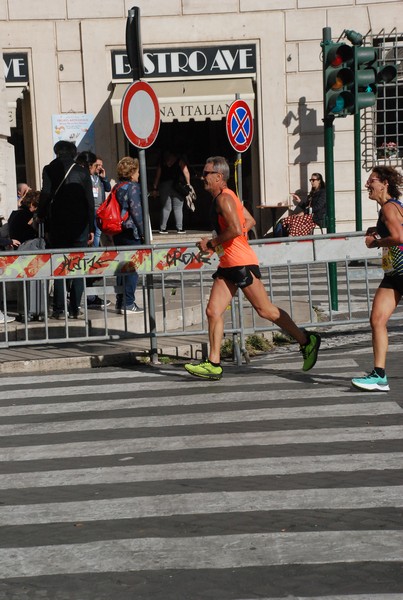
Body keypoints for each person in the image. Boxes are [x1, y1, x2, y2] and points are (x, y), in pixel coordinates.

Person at [184, 156, 321, 381]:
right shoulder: (228, 197)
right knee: (213, 311)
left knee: (265, 310)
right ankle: (214, 363)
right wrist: (224, 242)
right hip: (229, 262)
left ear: (219, 177)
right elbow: (249, 221)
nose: (202, 178)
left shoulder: (223, 200)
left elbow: (237, 228)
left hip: (241, 262)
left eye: (206, 173)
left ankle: (307, 340)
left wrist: (212, 243)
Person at [352, 166, 403, 392]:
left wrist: (376, 242)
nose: (367, 185)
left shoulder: (389, 208)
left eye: (371, 181)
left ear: (384, 183)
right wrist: (378, 230)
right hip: (394, 274)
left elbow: (399, 237)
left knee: (378, 320)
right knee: (377, 320)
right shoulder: (389, 209)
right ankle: (379, 376)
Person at [37, 140, 95, 319]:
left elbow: (46, 194)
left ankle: (60, 309)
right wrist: (92, 227)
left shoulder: (49, 169)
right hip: (80, 226)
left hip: (58, 225)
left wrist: (40, 215)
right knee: (78, 266)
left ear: (56, 152)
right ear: (73, 152)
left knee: (60, 267)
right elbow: (89, 202)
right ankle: (75, 307)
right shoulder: (82, 171)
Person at [113, 156, 144, 314]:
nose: (139, 175)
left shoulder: (117, 187)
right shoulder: (133, 187)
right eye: (137, 172)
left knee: (121, 267)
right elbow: (137, 212)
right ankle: (129, 302)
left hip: (118, 231)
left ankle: (120, 301)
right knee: (132, 267)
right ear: (132, 172)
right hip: (131, 231)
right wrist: (144, 233)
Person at [151, 149, 190, 234]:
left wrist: (155, 188)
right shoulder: (179, 161)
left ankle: (162, 228)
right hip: (177, 186)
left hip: (164, 186)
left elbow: (157, 176)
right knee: (178, 207)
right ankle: (180, 228)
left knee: (166, 207)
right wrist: (188, 184)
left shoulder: (162, 162)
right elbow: (186, 172)